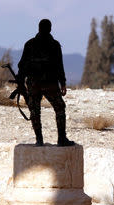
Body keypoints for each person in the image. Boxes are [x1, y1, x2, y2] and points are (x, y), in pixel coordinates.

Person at [17, 19, 75, 147]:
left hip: (33, 84)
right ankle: (61, 139)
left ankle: (39, 140)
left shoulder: (30, 44)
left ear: (38, 28)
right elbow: (60, 66)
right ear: (50, 29)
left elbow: (22, 65)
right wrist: (63, 84)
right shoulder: (54, 45)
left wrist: (20, 82)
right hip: (50, 84)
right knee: (59, 108)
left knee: (34, 111)